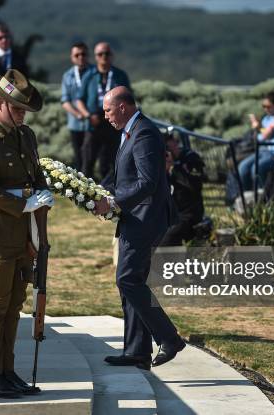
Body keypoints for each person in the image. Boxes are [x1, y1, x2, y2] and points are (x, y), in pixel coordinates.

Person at [0, 69, 54, 398]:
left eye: (24, 111)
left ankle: (7, 369)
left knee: (14, 304)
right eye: (16, 109)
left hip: (21, 235)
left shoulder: (25, 135)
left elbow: (36, 173)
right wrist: (23, 204)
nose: (21, 116)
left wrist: (43, 198)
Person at [94, 86, 184, 370]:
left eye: (108, 110)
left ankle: (169, 338)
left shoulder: (144, 132)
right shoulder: (130, 132)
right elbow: (124, 176)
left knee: (128, 279)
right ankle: (137, 350)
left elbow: (147, 182)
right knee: (130, 283)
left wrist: (114, 202)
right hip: (135, 216)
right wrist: (97, 192)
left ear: (122, 107)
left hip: (146, 217)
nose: (105, 116)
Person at [77, 42, 131, 180]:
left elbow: (128, 98)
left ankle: (109, 196)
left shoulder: (120, 75)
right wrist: (88, 115)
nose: (104, 57)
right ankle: (83, 196)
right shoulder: (89, 75)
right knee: (87, 161)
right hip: (94, 122)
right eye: (100, 54)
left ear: (112, 55)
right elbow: (79, 100)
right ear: (95, 57)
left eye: (107, 53)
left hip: (113, 124)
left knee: (109, 163)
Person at [159, 135, 206, 246]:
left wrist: (173, 168)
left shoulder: (191, 158)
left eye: (168, 147)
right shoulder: (162, 162)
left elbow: (195, 186)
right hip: (169, 213)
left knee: (166, 238)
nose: (167, 152)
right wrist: (164, 170)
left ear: (175, 143)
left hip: (189, 213)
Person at [60, 41, 95, 169]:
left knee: (90, 158)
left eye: (83, 54)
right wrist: (78, 114)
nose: (81, 57)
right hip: (75, 123)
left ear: (88, 55)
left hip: (93, 124)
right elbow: (65, 100)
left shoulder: (95, 73)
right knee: (78, 158)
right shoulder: (67, 76)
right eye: (77, 55)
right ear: (72, 57)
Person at [0, 23, 28, 115]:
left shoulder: (19, 57)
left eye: (6, 37)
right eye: (0, 38)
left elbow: (25, 80)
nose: (4, 40)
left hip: (15, 103)